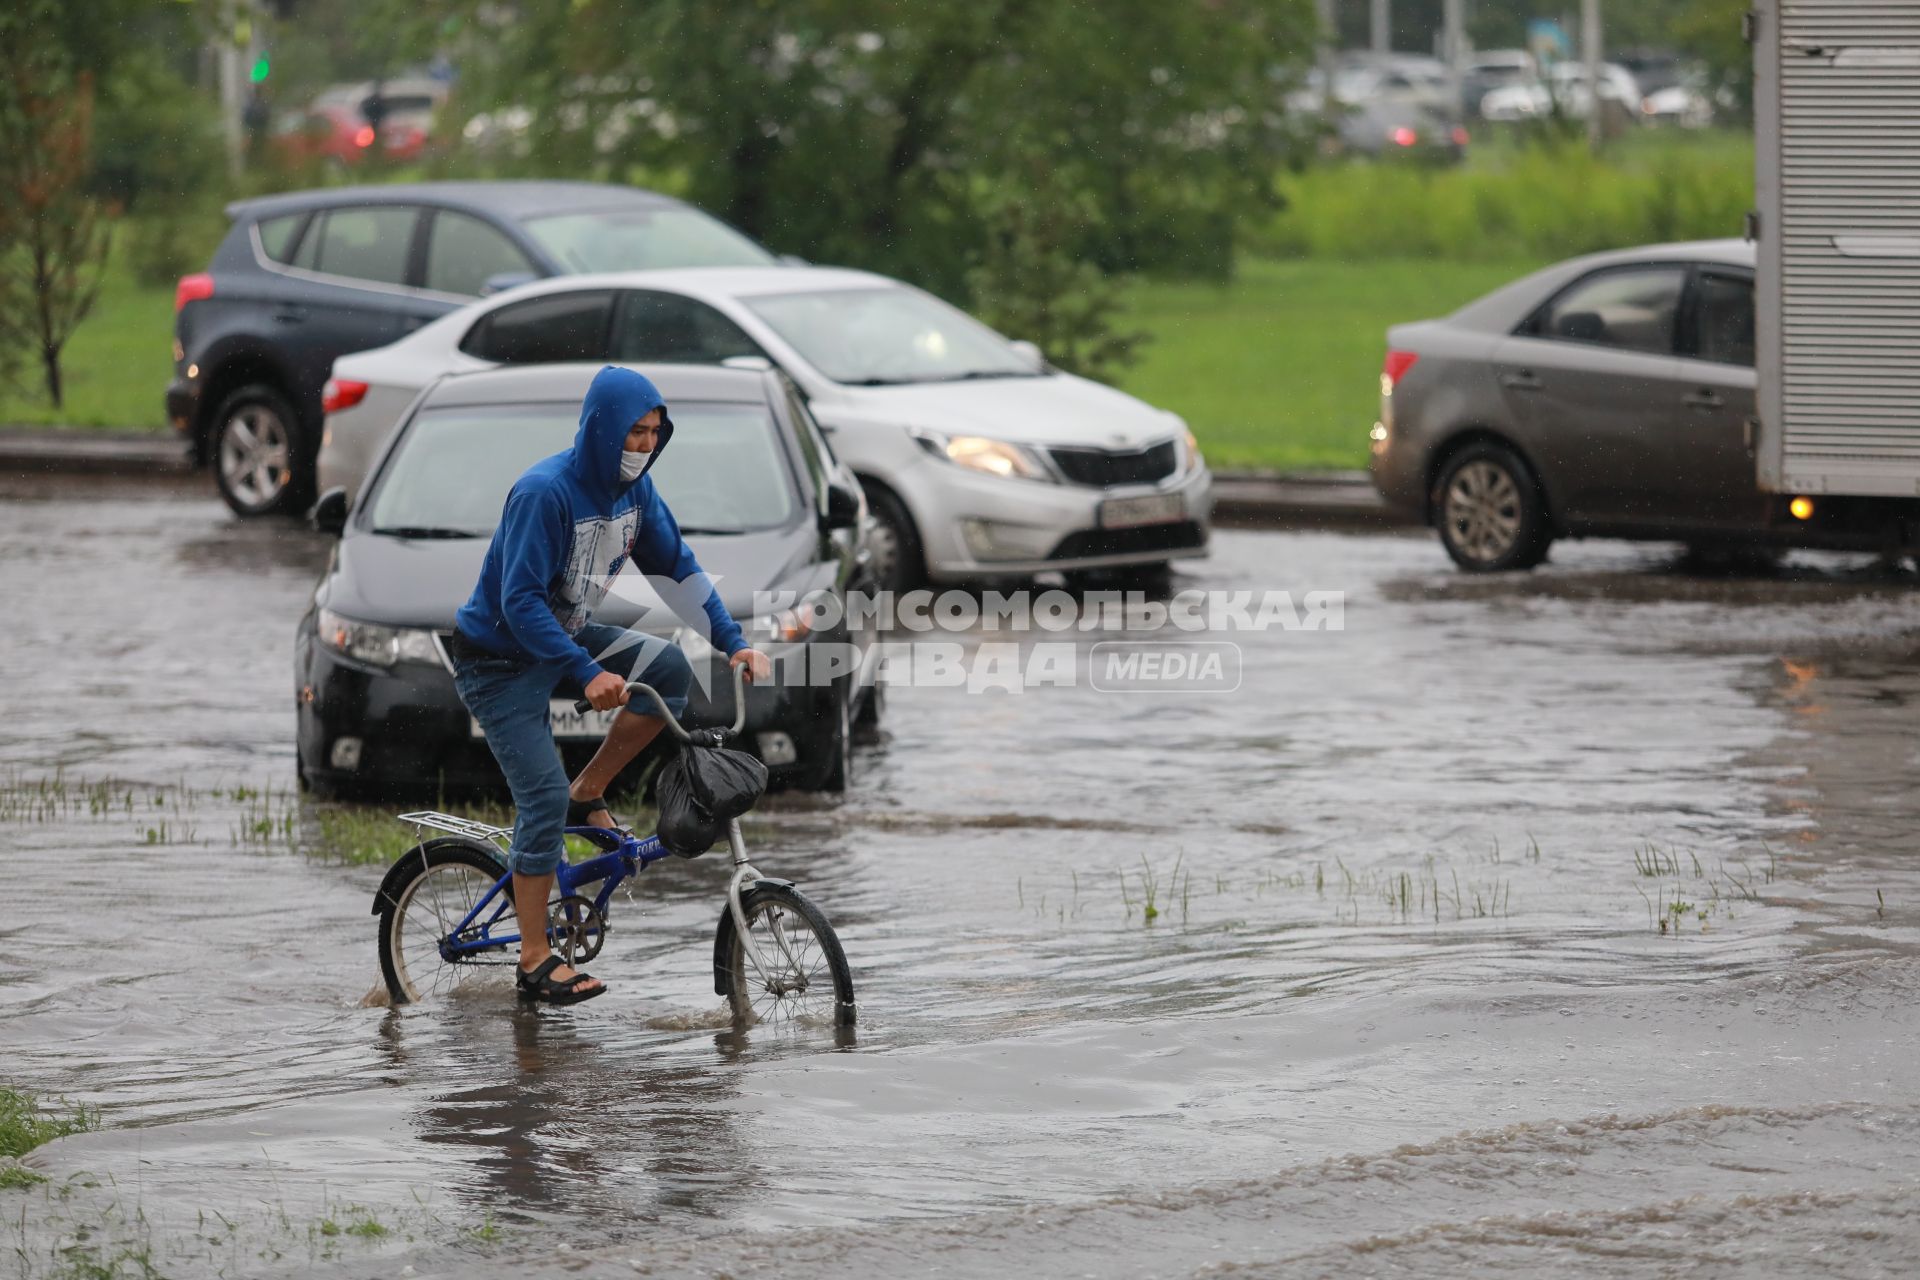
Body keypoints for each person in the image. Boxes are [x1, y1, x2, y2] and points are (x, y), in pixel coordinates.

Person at [448, 366, 770, 1007]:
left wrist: (733, 642)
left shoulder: (637, 494)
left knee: (669, 671)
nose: (644, 445)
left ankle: (586, 791)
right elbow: (519, 603)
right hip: (499, 658)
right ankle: (535, 959)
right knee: (538, 798)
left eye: (654, 433)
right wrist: (587, 672)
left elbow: (678, 570)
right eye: (634, 432)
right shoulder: (546, 493)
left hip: (565, 635)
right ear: (601, 428)